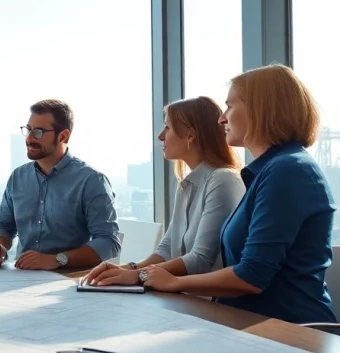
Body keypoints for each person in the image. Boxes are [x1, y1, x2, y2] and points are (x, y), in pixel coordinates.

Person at [97, 65, 336, 324]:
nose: (222, 118)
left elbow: (251, 275)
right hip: (249, 322)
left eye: (230, 107)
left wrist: (168, 281)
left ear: (260, 110)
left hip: (288, 331)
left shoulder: (288, 170)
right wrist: (138, 272)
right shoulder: (271, 170)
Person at [84, 97, 245, 285]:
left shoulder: (222, 179)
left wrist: (138, 275)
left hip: (208, 303)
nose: (161, 136)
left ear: (190, 135)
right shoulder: (187, 184)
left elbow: (200, 259)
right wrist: (126, 269)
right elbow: (167, 249)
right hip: (183, 298)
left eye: (167, 128)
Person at [0, 99, 120, 271]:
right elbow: (3, 225)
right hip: (21, 277)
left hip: (68, 283)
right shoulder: (18, 177)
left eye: (39, 132)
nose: (30, 138)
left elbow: (108, 242)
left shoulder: (91, 181)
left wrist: (57, 259)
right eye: (28, 130)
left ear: (63, 136)